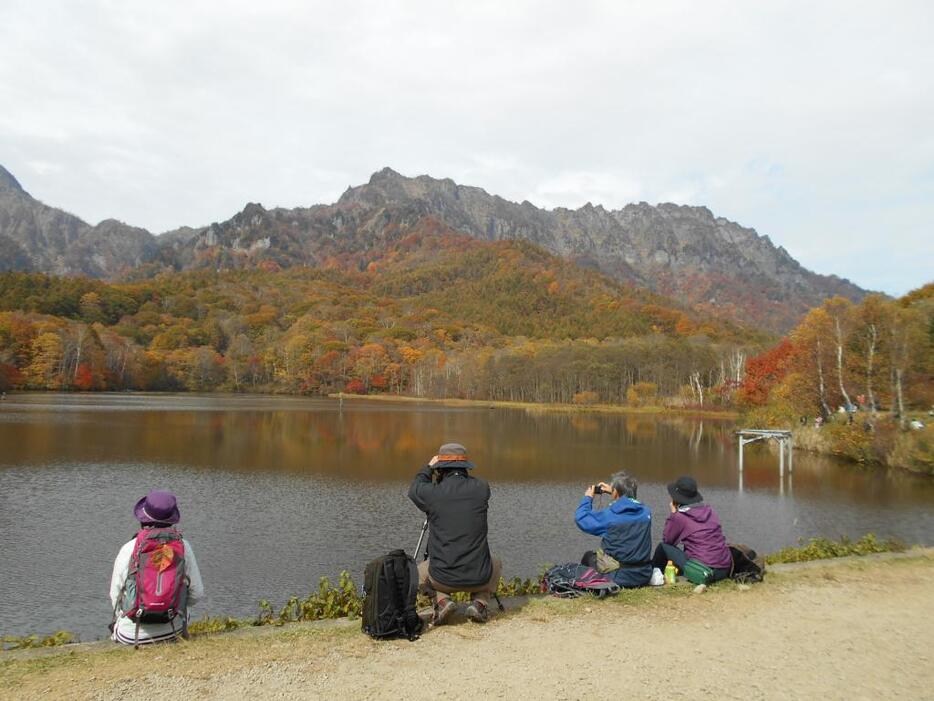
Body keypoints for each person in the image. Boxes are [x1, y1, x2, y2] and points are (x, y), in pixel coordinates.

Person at [408, 443, 500, 624]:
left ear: (440, 469)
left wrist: (428, 468)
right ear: (466, 467)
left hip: (443, 579)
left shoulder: (433, 494)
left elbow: (414, 489)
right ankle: (480, 603)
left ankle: (442, 600)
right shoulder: (482, 488)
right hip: (480, 577)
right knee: (496, 562)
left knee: (415, 573)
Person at [109, 490, 204, 645]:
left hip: (131, 636)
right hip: (173, 631)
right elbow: (197, 594)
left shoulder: (129, 548)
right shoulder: (184, 547)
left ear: (142, 518)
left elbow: (115, 596)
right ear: (172, 520)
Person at [574, 470, 653, 588]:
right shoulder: (646, 512)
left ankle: (585, 585)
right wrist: (615, 491)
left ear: (615, 492)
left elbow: (581, 519)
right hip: (643, 575)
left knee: (589, 556)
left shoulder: (611, 516)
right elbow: (631, 501)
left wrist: (588, 498)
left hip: (619, 577)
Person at [651, 476, 732, 584]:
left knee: (663, 547)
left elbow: (668, 541)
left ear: (677, 498)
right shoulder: (709, 511)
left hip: (703, 572)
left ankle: (654, 574)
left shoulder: (680, 517)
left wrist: (673, 514)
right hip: (724, 569)